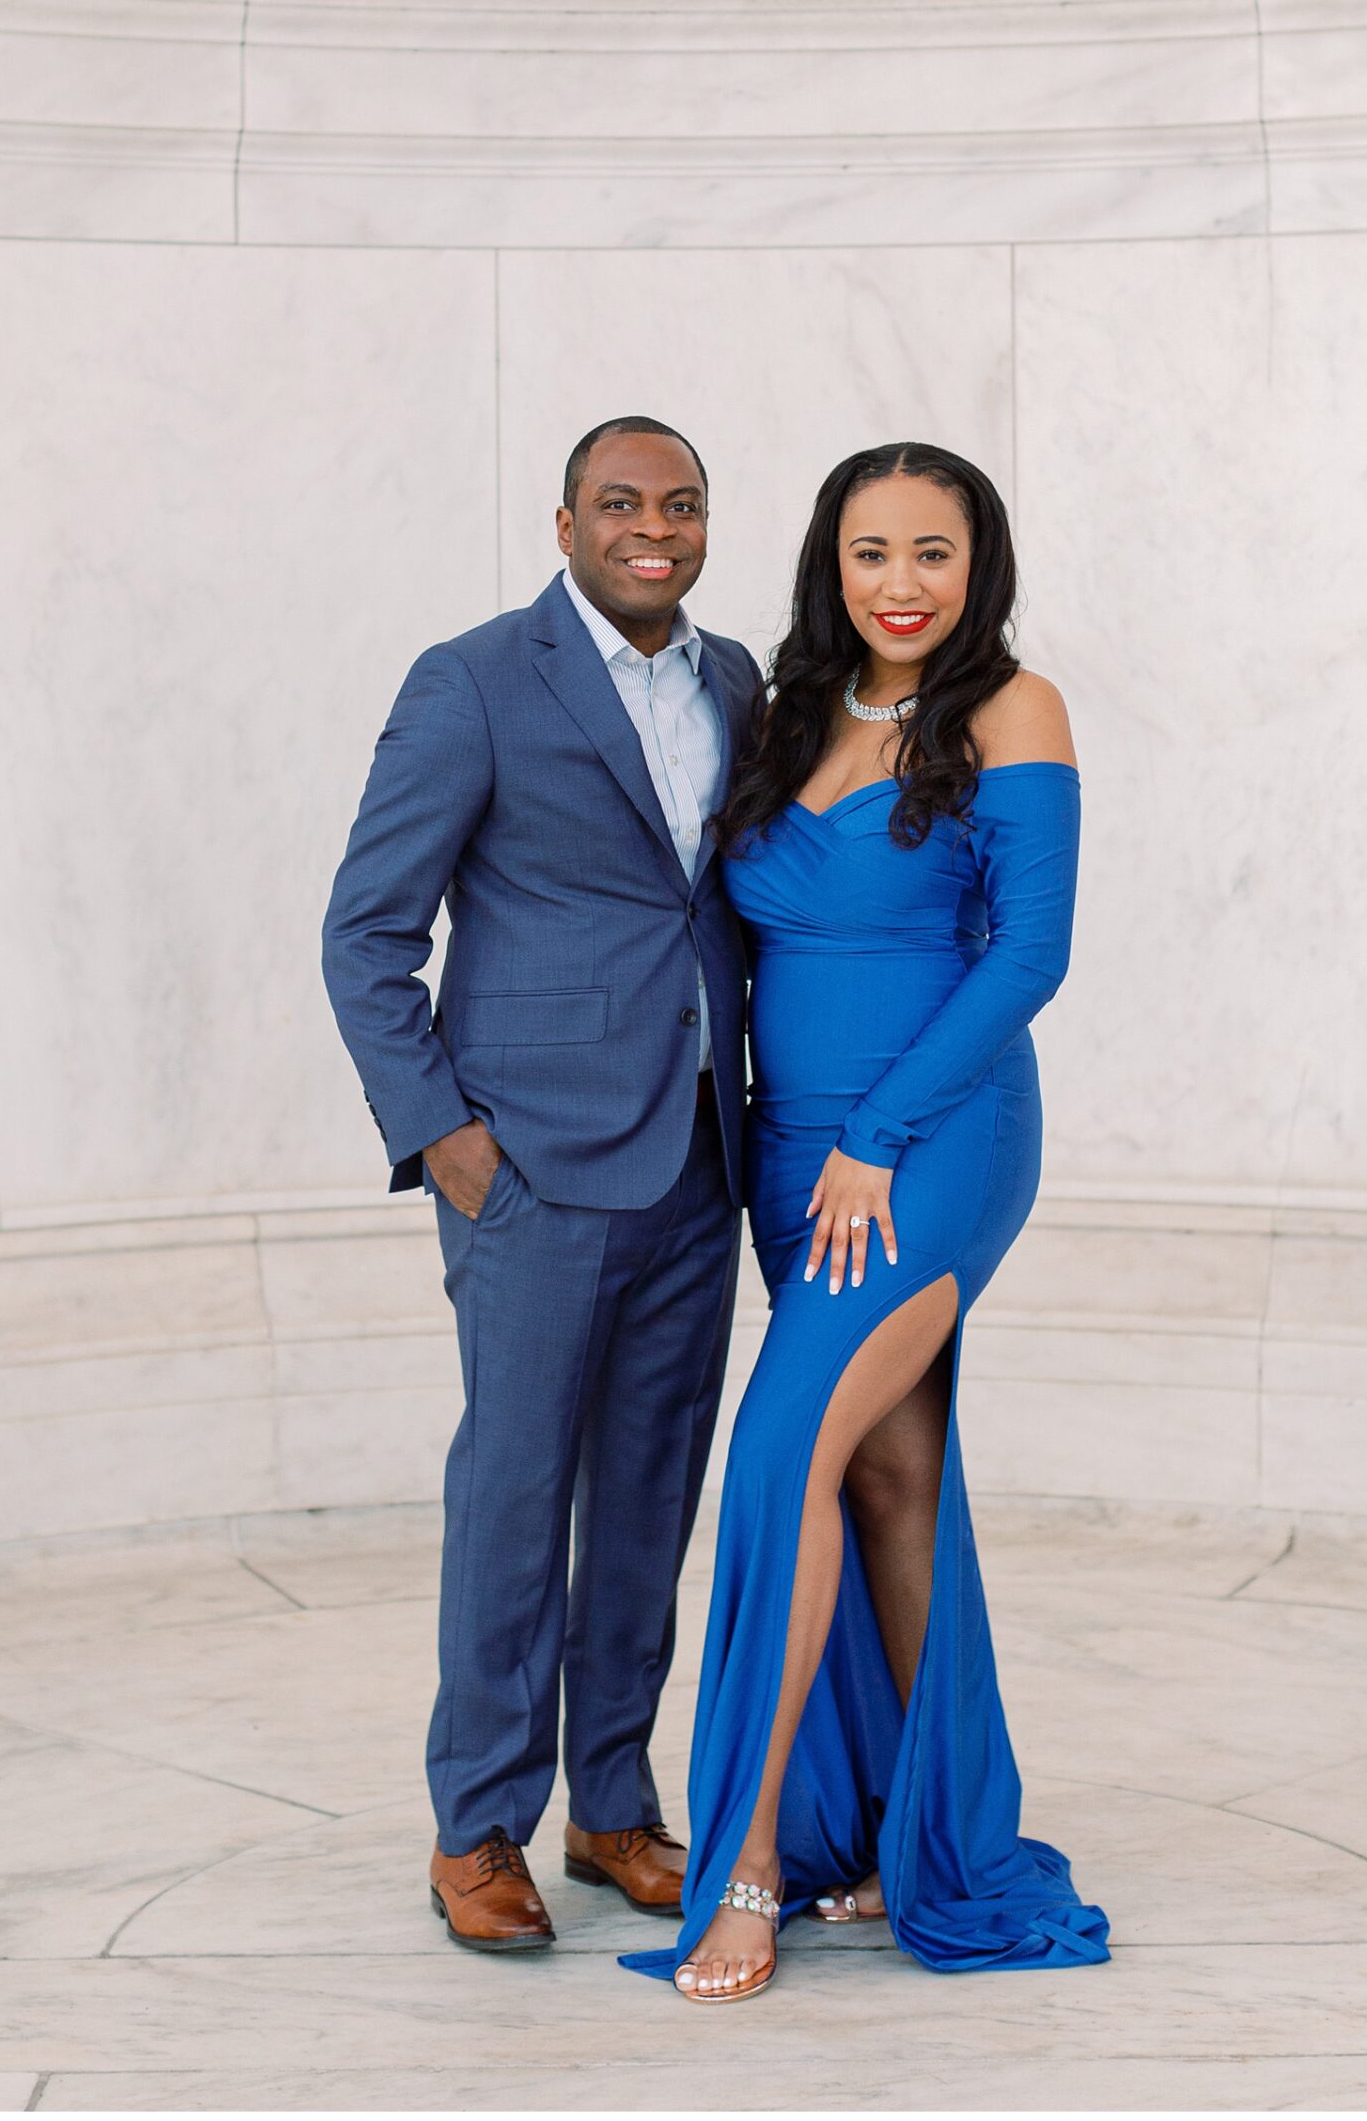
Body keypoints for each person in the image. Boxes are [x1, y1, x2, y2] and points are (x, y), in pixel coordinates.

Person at [622, 441, 1112, 2001]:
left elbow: (1028, 958)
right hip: (790, 1157)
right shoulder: (786, 714)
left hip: (930, 1146)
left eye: (931, 554)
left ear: (981, 568)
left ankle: (750, 1855)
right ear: (828, 568)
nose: (899, 584)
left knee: (780, 1459)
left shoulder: (1010, 713)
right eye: (868, 553)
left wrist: (884, 1140)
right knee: (888, 1472)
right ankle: (922, 1830)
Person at [322, 418, 763, 1953]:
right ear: (564, 521)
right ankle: (476, 1830)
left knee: (649, 1495)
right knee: (513, 1496)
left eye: (682, 505)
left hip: (700, 1159)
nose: (656, 528)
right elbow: (365, 933)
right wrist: (443, 1135)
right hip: (531, 1167)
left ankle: (612, 1809)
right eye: (622, 504)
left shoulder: (733, 683)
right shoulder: (475, 679)